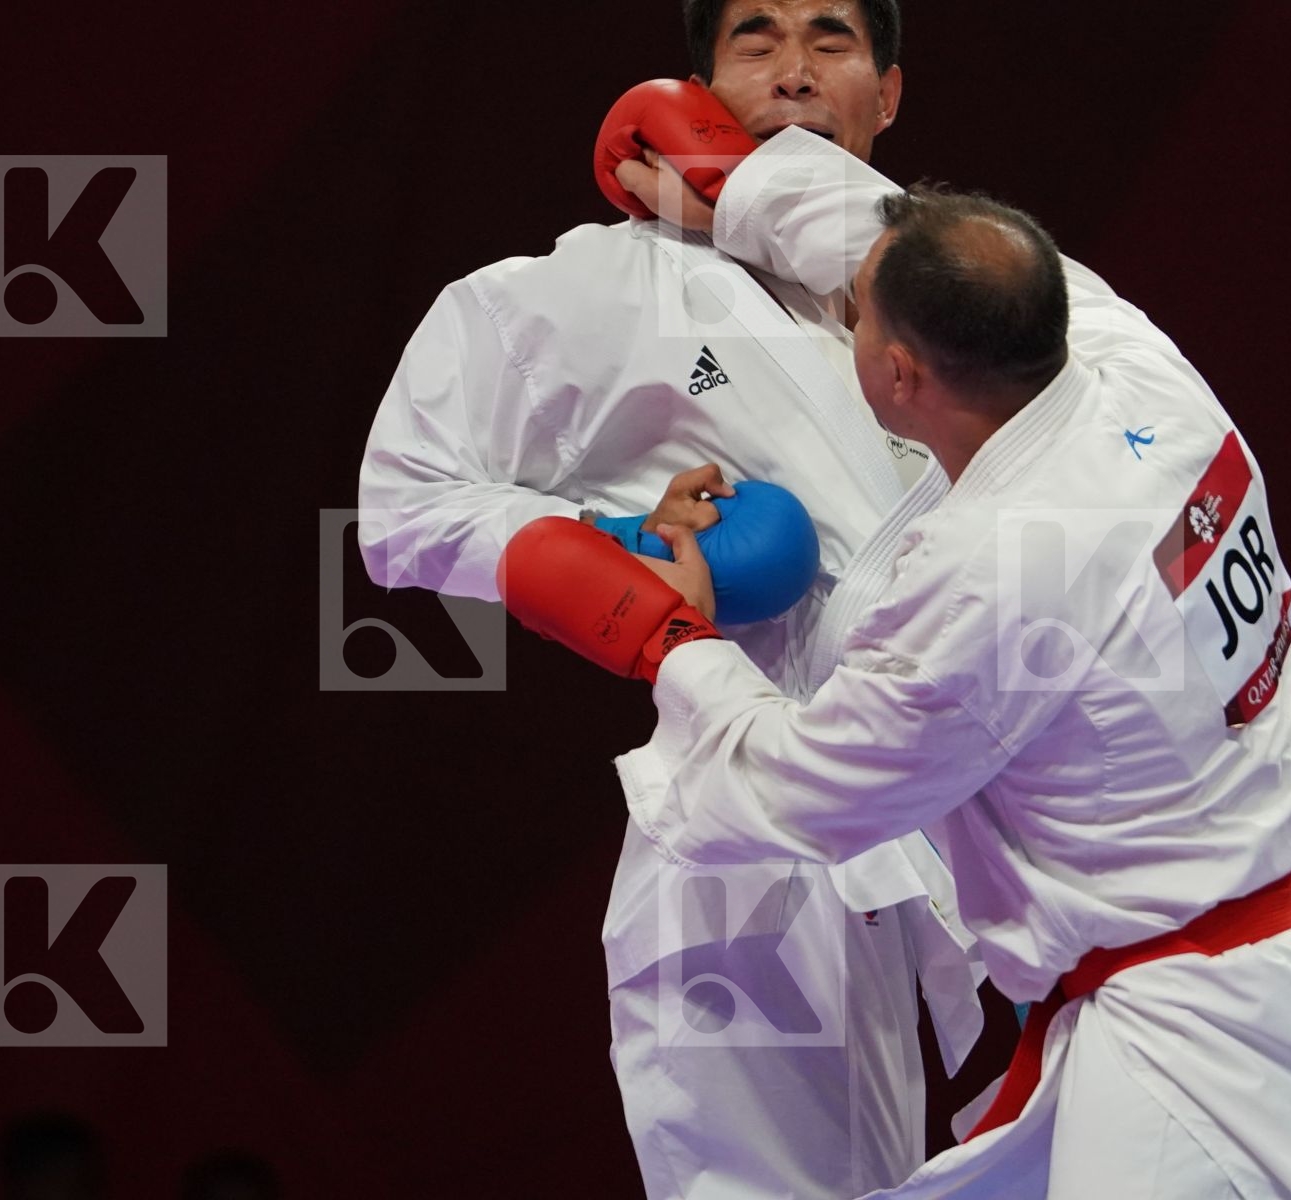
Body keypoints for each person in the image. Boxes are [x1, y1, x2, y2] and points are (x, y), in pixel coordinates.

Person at [579, 131, 1291, 1195]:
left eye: (855, 317)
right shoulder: (1129, 364)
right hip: (1247, 984)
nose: (840, 315)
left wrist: (674, 641)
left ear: (899, 373)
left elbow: (798, 791)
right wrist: (738, 185)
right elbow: (889, 238)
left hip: (1199, 1075)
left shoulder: (993, 577)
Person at [357, 3, 987, 1196]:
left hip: (963, 812)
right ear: (696, 83)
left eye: (832, 40)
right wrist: (617, 552)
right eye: (755, 40)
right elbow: (404, 499)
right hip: (758, 836)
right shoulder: (608, 285)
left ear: (889, 92)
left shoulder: (953, 286)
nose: (795, 71)